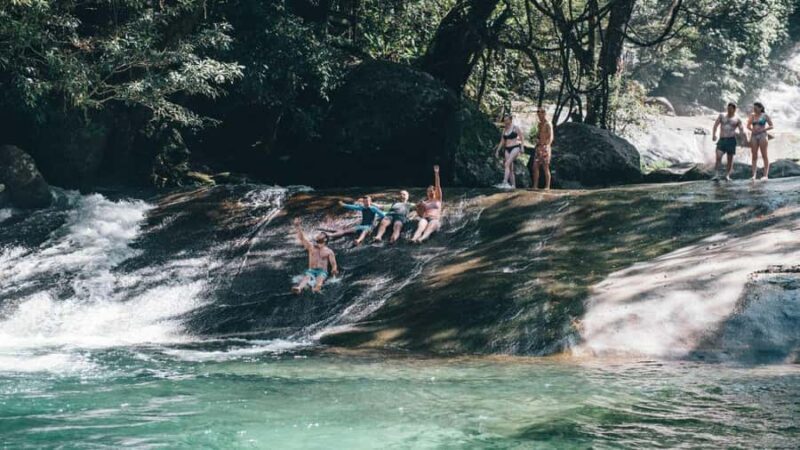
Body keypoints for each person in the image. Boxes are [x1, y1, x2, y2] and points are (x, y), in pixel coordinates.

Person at [292, 218, 338, 294]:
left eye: (321, 234)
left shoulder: (329, 251)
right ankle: (299, 288)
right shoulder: (311, 247)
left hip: (322, 271)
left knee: (320, 279)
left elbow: (334, 264)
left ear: (325, 239)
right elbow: (302, 238)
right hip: (311, 270)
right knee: (306, 277)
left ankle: (317, 288)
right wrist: (297, 226)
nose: (318, 235)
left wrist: (334, 270)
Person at [711, 102, 745, 181]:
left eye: (730, 109)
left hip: (731, 140)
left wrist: (743, 139)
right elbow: (715, 125)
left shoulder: (737, 119)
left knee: (730, 159)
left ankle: (727, 175)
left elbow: (741, 130)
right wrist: (713, 135)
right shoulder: (722, 116)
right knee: (718, 157)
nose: (729, 110)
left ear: (734, 109)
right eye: (728, 108)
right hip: (722, 140)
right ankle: (716, 175)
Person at [410, 165, 443, 244]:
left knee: (430, 227)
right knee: (421, 226)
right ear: (427, 193)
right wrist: (418, 208)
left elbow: (438, 185)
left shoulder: (438, 199)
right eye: (429, 191)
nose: (431, 192)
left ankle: (422, 239)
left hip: (434, 219)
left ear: (435, 192)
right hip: (425, 218)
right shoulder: (424, 202)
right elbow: (419, 213)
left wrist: (436, 173)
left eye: (432, 191)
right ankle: (414, 238)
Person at [494, 114, 525, 189]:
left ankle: (505, 182)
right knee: (510, 168)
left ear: (510, 120)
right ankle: (513, 186)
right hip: (507, 149)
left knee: (507, 163)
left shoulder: (515, 128)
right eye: (504, 120)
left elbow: (522, 138)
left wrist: (522, 147)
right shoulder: (504, 129)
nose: (506, 122)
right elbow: (502, 141)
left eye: (507, 120)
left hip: (515, 147)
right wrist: (497, 150)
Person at [746, 102, 774, 181]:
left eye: (756, 108)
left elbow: (771, 125)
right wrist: (752, 130)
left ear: (761, 108)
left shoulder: (765, 116)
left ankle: (765, 175)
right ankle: (753, 175)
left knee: (764, 154)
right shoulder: (752, 115)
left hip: (762, 135)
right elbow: (748, 126)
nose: (754, 109)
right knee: (754, 155)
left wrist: (764, 129)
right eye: (754, 108)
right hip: (754, 135)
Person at [531, 107, 553, 190]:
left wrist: (547, 146)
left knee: (545, 167)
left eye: (540, 114)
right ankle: (535, 186)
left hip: (545, 147)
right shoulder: (539, 124)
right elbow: (538, 135)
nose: (539, 116)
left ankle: (547, 186)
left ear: (544, 114)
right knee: (535, 166)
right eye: (538, 114)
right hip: (538, 147)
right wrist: (537, 140)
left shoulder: (548, 124)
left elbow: (551, 137)